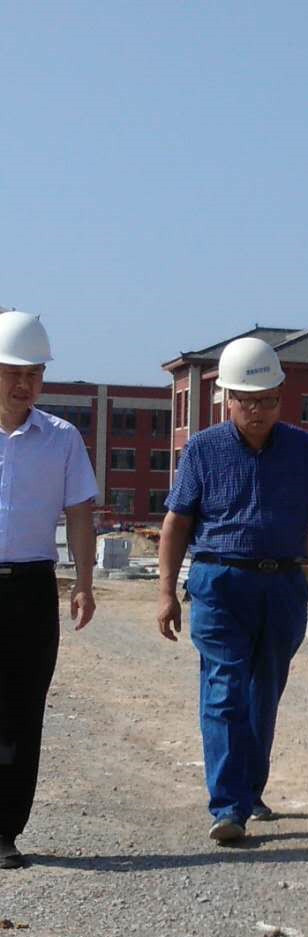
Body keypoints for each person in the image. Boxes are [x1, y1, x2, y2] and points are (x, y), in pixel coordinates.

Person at [157, 336, 308, 844]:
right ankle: (227, 805)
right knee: (224, 689)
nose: (258, 411)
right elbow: (176, 523)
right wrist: (166, 591)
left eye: (268, 401)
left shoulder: (304, 449)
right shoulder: (203, 450)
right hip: (220, 582)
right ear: (227, 398)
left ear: (281, 397)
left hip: (282, 585)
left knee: (264, 691)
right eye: (248, 401)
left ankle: (248, 791)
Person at [0, 310, 97, 870]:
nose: (23, 384)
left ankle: (5, 829)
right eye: (12, 372)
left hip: (32, 590)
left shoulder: (62, 439)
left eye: (33, 373)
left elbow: (80, 512)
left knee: (21, 710)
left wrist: (84, 582)